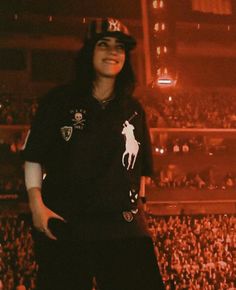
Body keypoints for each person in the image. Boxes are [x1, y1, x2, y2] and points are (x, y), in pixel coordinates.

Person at [23, 17, 165, 290]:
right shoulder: (59, 101)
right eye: (104, 44)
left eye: (119, 47)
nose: (113, 52)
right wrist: (37, 207)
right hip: (67, 222)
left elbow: (139, 169)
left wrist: (140, 209)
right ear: (89, 51)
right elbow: (34, 156)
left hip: (122, 227)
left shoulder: (133, 110)